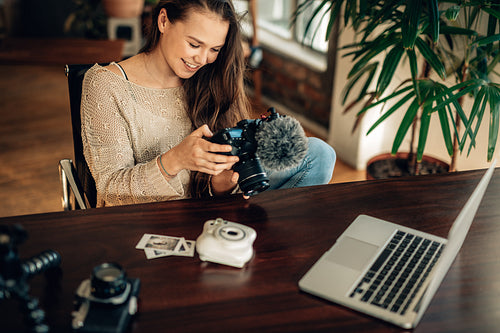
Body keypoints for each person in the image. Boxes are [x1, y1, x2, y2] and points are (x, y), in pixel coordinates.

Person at [81, 0, 336, 207]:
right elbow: (110, 190)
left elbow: (216, 184)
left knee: (318, 154)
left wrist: (222, 183)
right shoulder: (105, 85)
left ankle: (262, 244)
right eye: (194, 44)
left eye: (215, 49)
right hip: (149, 217)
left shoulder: (212, 77)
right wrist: (175, 160)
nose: (202, 59)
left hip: (208, 206)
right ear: (163, 21)